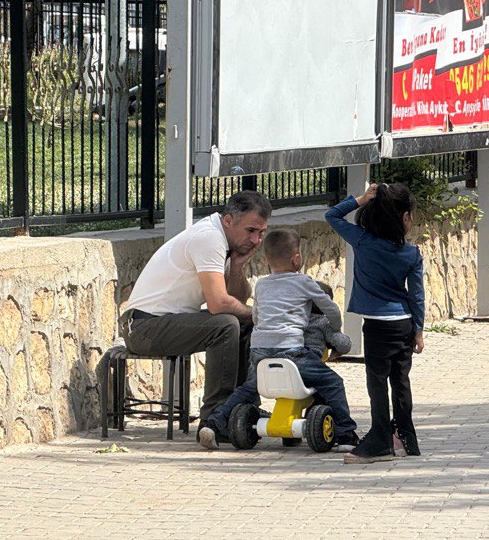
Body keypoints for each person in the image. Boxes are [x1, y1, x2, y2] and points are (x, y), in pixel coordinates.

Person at [198, 229, 359, 451]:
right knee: (332, 383)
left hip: (259, 350)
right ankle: (346, 435)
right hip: (291, 350)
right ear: (297, 259)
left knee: (248, 389)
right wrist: (335, 328)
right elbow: (329, 308)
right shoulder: (304, 281)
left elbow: (256, 315)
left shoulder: (262, 285)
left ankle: (213, 424)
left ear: (266, 260)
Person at [121, 191, 270, 425]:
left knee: (242, 322)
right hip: (142, 328)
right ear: (229, 221)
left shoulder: (226, 240)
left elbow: (237, 297)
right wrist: (260, 314)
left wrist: (237, 267)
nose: (256, 241)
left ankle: (242, 407)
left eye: (261, 233)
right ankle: (216, 417)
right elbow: (219, 303)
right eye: (251, 231)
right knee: (226, 324)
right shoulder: (209, 238)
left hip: (166, 321)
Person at [326, 183, 425, 463]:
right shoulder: (412, 254)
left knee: (377, 383)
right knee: (401, 382)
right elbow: (416, 295)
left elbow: (331, 216)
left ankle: (380, 441)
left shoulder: (362, 241)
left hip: (377, 326)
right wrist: (418, 330)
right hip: (403, 324)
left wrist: (360, 199)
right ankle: (405, 438)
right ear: (404, 218)